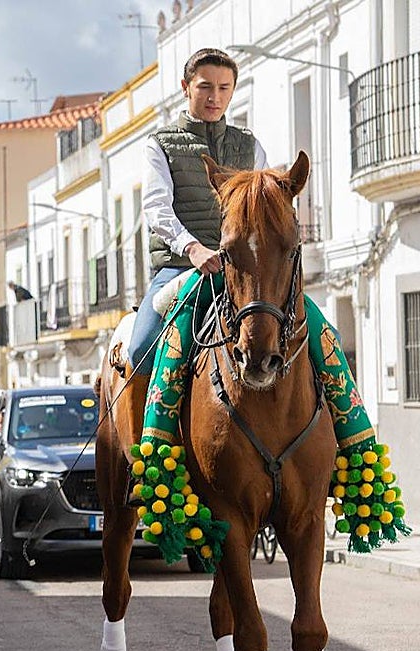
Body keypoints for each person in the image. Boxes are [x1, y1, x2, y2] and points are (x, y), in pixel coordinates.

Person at [121, 47, 372, 502]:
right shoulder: (160, 143)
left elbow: (264, 203)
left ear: (232, 91)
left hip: (245, 271)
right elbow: (156, 209)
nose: (215, 96)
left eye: (223, 88)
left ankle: (347, 461)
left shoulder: (249, 145)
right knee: (141, 346)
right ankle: (147, 464)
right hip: (183, 269)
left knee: (322, 335)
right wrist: (194, 249)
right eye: (205, 87)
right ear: (186, 88)